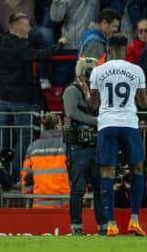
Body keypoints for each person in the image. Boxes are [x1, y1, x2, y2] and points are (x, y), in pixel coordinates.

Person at [87, 33, 147, 236]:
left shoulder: (98, 71)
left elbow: (92, 104)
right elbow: (144, 103)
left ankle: (110, 224)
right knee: (137, 169)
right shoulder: (136, 70)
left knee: (107, 173)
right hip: (129, 123)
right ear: (126, 50)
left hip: (107, 124)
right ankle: (134, 220)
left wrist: (86, 91)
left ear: (108, 50)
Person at [0, 13, 65, 180]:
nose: (29, 29)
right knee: (24, 138)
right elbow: (39, 55)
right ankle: (15, 176)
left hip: (1, 99)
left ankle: (1, 174)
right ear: (17, 26)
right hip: (20, 101)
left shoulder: (0, 41)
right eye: (26, 25)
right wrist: (58, 46)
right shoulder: (21, 46)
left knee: (0, 138)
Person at [62, 57, 106, 235]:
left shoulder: (96, 92)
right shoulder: (72, 90)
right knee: (79, 188)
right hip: (77, 146)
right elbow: (72, 112)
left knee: (99, 188)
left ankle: (103, 226)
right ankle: (76, 226)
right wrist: (97, 121)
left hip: (94, 144)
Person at [20, 113, 69, 209]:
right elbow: (75, 172)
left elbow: (26, 176)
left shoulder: (33, 147)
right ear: (58, 125)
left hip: (40, 205)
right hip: (64, 204)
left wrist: (27, 194)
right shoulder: (66, 145)